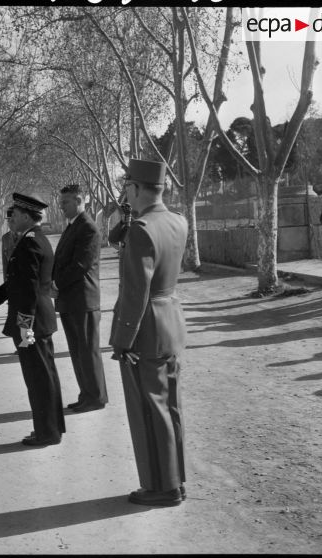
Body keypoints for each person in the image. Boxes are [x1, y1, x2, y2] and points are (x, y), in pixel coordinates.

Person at [110, 158, 188, 507]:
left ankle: (161, 487)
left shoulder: (141, 228)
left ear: (137, 188)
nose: (125, 192)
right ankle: (175, 481)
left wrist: (122, 340)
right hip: (170, 321)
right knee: (170, 406)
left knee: (149, 411)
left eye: (127, 186)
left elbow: (135, 292)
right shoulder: (177, 221)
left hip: (145, 330)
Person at [0, 192, 66, 446]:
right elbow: (16, 283)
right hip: (38, 320)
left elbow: (28, 291)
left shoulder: (29, 243)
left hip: (31, 322)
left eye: (16, 214)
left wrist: (24, 328)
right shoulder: (35, 239)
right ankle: (50, 429)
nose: (12, 219)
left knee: (38, 379)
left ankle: (47, 433)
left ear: (24, 215)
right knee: (45, 377)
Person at [51, 183, 108, 413]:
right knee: (77, 352)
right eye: (61, 202)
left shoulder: (88, 228)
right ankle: (86, 394)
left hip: (83, 300)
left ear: (79, 200)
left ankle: (96, 397)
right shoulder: (73, 226)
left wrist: (55, 284)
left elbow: (80, 265)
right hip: (70, 299)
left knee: (88, 351)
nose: (61, 206)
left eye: (65, 202)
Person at [1, 206, 20, 279]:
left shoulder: (28, 236)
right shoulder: (5, 238)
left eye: (13, 221)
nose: (10, 224)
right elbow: (5, 264)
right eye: (8, 221)